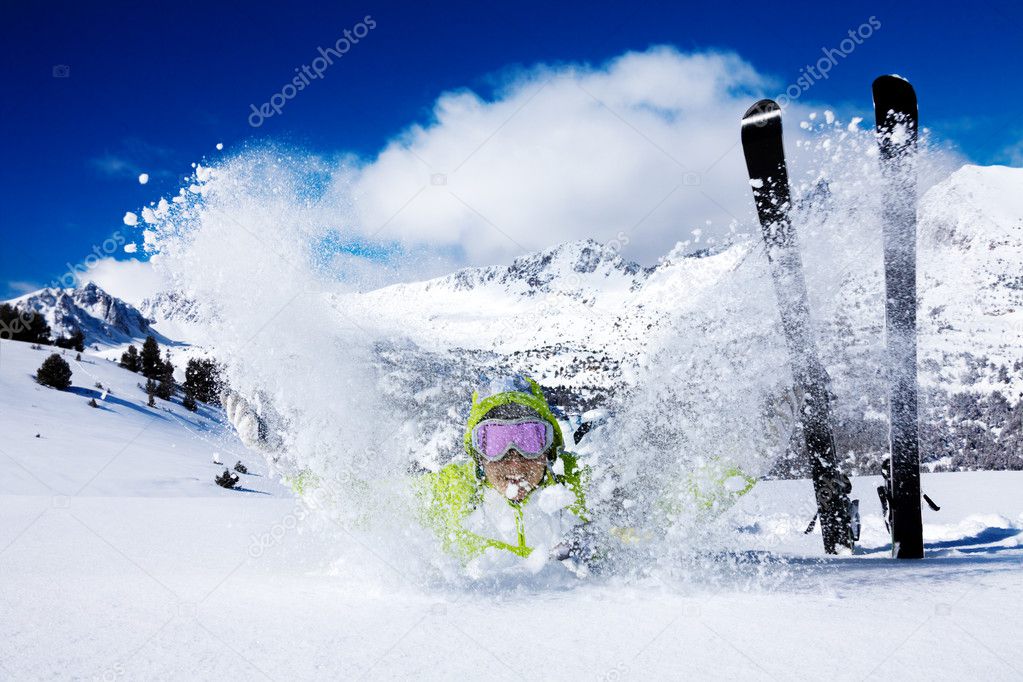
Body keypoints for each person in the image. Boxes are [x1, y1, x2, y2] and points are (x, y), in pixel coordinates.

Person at [416, 375, 591, 571]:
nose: (515, 463)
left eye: (529, 442)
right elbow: (385, 502)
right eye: (496, 443)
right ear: (479, 455)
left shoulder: (578, 482)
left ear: (547, 450)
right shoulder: (452, 491)